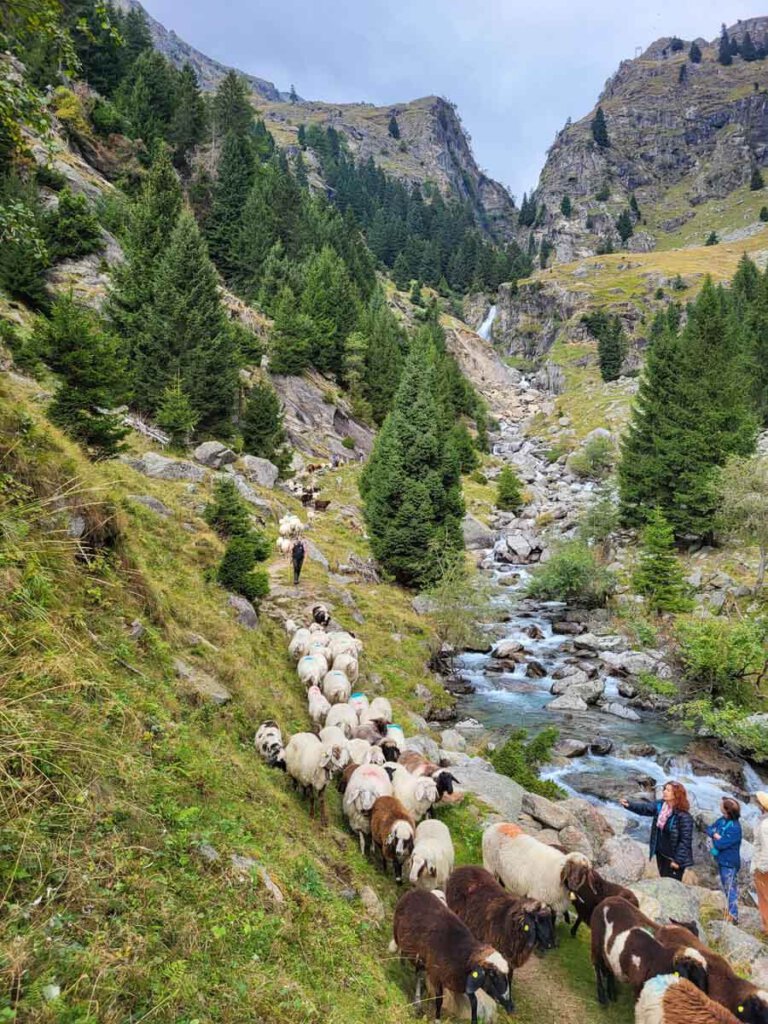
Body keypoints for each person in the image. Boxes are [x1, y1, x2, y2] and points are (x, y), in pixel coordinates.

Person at [620, 781, 694, 881]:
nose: (664, 792)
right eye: (664, 789)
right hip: (661, 853)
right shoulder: (661, 806)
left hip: (673, 858)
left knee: (672, 883)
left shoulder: (684, 817)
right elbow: (645, 808)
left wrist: (678, 861)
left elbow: (685, 841)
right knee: (663, 878)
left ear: (676, 795)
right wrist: (629, 805)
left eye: (668, 790)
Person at [706, 797, 743, 924]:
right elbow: (709, 828)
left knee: (730, 888)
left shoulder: (735, 828)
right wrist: (715, 834)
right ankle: (730, 912)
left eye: (722, 805)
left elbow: (721, 844)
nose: (720, 806)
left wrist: (715, 837)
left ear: (727, 810)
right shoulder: (722, 820)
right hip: (721, 859)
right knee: (726, 887)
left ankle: (734, 916)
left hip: (729, 862)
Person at [753, 791, 768, 935]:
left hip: (763, 867)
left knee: (764, 898)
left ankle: (766, 927)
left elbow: (765, 848)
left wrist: (760, 867)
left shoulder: (764, 825)